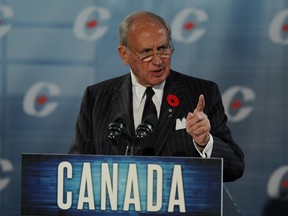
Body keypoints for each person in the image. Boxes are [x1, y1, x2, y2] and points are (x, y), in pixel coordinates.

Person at [69, 11, 244, 182]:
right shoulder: (98, 97)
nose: (158, 61)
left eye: (162, 49)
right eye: (146, 53)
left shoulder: (201, 93)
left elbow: (234, 167)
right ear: (124, 54)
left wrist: (205, 142)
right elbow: (77, 170)